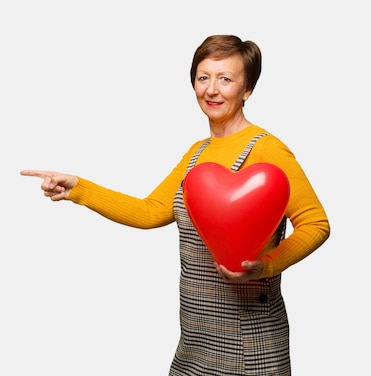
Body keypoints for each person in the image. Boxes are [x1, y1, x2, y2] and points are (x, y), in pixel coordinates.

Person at [20, 34, 330, 376]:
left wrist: (267, 265)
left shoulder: (268, 149)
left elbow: (316, 224)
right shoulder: (196, 154)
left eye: (225, 79)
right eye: (203, 77)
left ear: (247, 90)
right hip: (195, 338)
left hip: (248, 339)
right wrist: (79, 188)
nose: (212, 89)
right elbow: (151, 211)